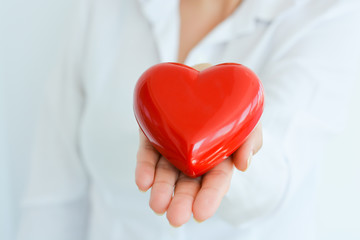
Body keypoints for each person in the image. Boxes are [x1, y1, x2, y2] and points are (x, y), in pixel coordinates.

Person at [17, 0, 360, 239]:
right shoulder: (102, 6)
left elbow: (279, 175)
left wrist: (232, 145)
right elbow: (53, 195)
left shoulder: (326, 12)